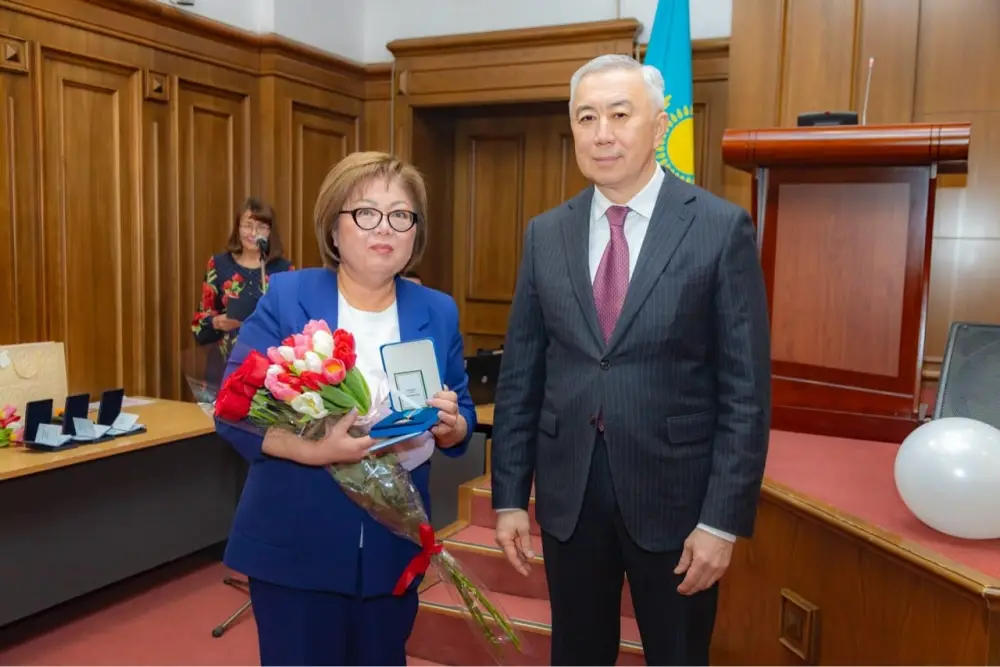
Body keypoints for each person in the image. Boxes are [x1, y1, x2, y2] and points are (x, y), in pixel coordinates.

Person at [490, 54, 772, 666]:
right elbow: (521, 377)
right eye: (586, 117)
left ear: (660, 121)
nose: (602, 133)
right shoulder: (546, 233)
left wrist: (722, 522)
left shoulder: (719, 229)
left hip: (677, 501)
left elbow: (746, 392)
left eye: (620, 114)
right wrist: (510, 496)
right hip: (570, 497)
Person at [215, 152, 476, 666]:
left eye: (401, 215)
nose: (385, 228)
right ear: (334, 228)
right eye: (366, 213)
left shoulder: (437, 310)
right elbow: (231, 409)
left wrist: (452, 423)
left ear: (415, 233)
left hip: (391, 547)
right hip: (296, 541)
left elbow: (463, 410)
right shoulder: (290, 295)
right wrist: (315, 451)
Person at [191, 198, 294, 385]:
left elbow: (292, 321)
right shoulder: (218, 265)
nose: (253, 233)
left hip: (269, 368)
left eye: (261, 227)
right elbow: (199, 323)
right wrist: (217, 322)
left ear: (270, 232)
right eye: (248, 225)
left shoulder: (283, 269)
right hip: (226, 365)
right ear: (238, 228)